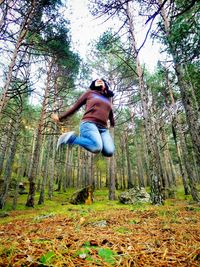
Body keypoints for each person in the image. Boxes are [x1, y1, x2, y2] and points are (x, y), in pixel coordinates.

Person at [51, 78, 115, 157]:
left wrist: (112, 123)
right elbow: (75, 107)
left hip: (103, 129)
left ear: (105, 85)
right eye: (96, 80)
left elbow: (110, 113)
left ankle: (94, 142)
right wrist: (60, 117)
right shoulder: (90, 93)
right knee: (97, 147)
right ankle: (70, 138)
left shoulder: (108, 98)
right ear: (93, 85)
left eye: (101, 80)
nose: (99, 80)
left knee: (109, 151)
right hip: (89, 124)